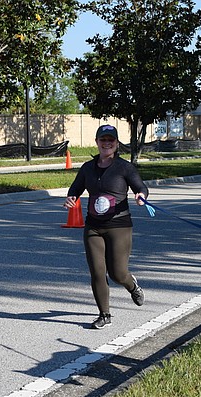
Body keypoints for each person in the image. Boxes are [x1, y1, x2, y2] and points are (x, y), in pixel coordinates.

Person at [64, 124, 149, 330]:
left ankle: (132, 285)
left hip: (119, 226)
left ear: (117, 144)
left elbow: (140, 186)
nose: (107, 143)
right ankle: (104, 314)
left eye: (111, 140)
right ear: (97, 142)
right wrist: (71, 197)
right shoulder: (87, 168)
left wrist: (141, 196)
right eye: (103, 140)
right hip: (93, 227)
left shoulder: (124, 167)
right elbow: (75, 188)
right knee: (97, 271)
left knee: (117, 273)